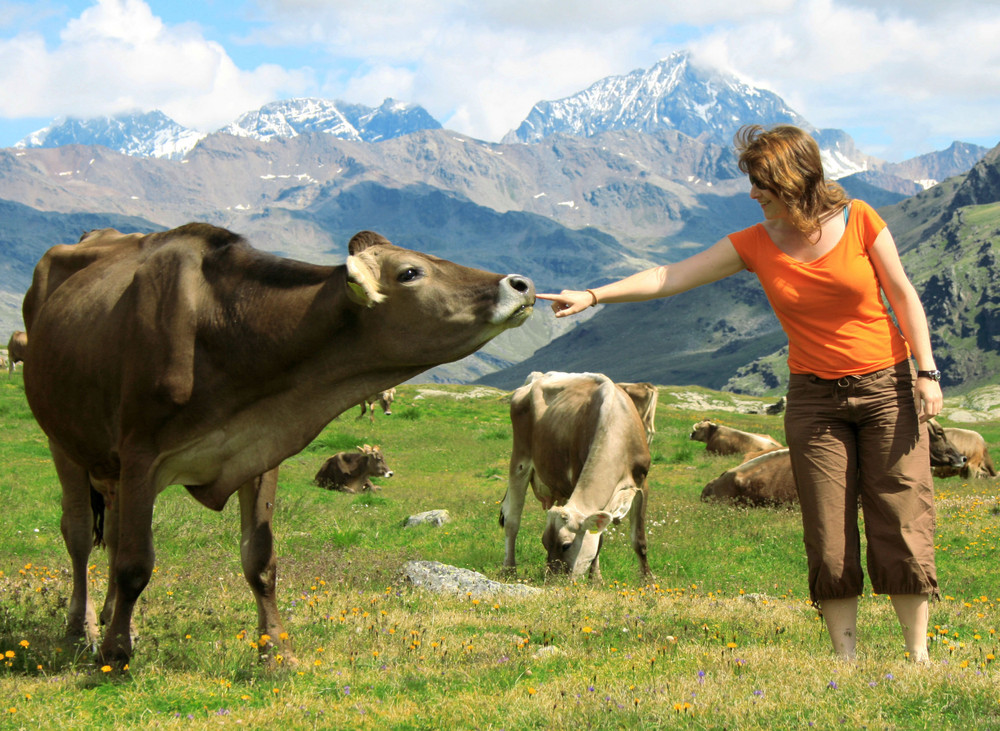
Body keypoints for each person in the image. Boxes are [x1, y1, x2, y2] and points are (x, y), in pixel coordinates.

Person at [538, 124, 941, 663]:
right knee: (828, 531)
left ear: (794, 179)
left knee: (901, 515)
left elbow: (903, 295)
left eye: (761, 183)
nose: (753, 194)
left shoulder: (862, 220)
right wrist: (592, 295)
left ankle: (918, 659)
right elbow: (669, 276)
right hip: (815, 401)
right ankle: (847, 659)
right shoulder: (754, 243)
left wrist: (926, 371)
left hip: (887, 386)